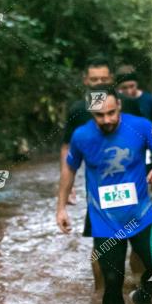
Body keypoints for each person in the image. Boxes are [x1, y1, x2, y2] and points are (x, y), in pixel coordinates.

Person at [57, 87, 152, 304]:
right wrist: (60, 207)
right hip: (105, 221)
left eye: (111, 113)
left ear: (119, 107)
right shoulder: (81, 136)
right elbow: (69, 168)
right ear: (91, 113)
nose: (107, 120)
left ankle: (142, 297)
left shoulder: (141, 126)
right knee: (112, 282)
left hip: (142, 215)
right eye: (99, 115)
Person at [61, 57, 145, 289]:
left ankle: (138, 285)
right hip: (99, 190)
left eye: (104, 79)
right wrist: (66, 189)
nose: (99, 83)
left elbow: (145, 139)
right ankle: (101, 291)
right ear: (85, 80)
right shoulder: (78, 111)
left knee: (140, 241)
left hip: (134, 183)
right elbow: (67, 150)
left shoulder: (128, 104)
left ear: (111, 80)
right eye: (94, 79)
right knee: (101, 244)